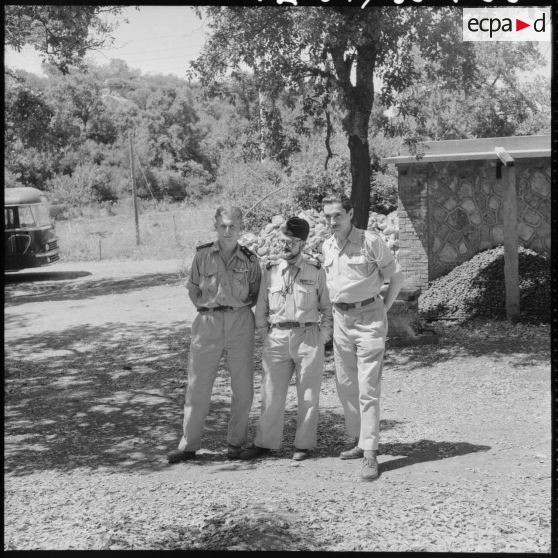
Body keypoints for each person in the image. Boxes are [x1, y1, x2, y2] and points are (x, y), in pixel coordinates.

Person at [167, 206, 261, 463]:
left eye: (233, 226)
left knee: (242, 387)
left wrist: (233, 309)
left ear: (241, 226)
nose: (228, 231)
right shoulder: (202, 256)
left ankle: (235, 444)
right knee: (197, 386)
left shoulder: (251, 260)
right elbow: (193, 289)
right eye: (223, 226)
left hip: (240, 321)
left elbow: (254, 293)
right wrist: (208, 309)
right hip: (207, 323)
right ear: (216, 226)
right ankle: (188, 445)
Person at [321, 194, 404, 481]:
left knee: (368, 387)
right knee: (345, 385)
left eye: (337, 215)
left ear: (350, 214)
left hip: (369, 318)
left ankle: (370, 451)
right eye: (328, 216)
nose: (332, 221)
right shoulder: (327, 245)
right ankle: (358, 439)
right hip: (341, 320)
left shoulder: (370, 241)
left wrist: (383, 308)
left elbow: (396, 276)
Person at [240, 217, 333, 461]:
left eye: (291, 241)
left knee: (309, 395)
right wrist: (266, 335)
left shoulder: (315, 270)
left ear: (302, 243)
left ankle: (304, 444)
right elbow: (261, 309)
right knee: (270, 392)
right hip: (277, 337)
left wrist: (322, 337)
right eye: (283, 240)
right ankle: (265, 443)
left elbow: (327, 309)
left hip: (308, 336)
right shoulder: (270, 270)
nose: (285, 245)